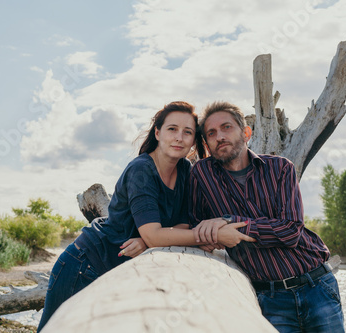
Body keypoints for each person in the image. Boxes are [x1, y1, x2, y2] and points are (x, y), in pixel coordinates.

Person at [37, 101, 247, 332]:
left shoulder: (186, 170)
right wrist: (209, 236)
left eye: (187, 132)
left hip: (123, 268)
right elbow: (155, 233)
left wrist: (147, 240)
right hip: (86, 262)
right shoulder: (142, 170)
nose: (179, 137)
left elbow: (183, 222)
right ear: (157, 133)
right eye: (172, 129)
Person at [189, 101, 345, 333]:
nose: (219, 136)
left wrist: (231, 224)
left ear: (246, 132)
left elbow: (290, 231)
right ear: (207, 143)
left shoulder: (280, 168)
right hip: (268, 297)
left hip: (316, 286)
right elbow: (197, 226)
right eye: (211, 133)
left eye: (226, 127)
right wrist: (216, 235)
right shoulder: (202, 175)